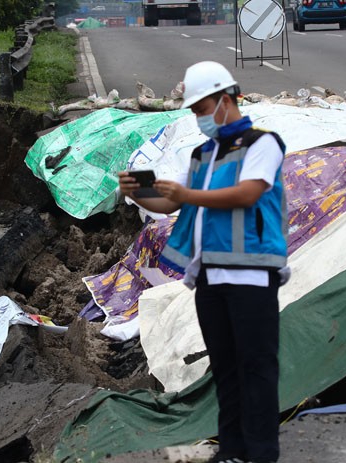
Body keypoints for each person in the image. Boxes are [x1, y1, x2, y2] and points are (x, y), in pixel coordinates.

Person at [118, 61, 288, 463]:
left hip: (252, 273)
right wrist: (138, 192)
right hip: (210, 276)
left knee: (257, 368)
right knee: (226, 370)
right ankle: (232, 451)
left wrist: (184, 195)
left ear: (225, 100)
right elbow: (173, 204)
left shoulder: (263, 144)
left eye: (200, 108)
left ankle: (262, 454)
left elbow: (247, 194)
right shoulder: (202, 155)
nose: (197, 117)